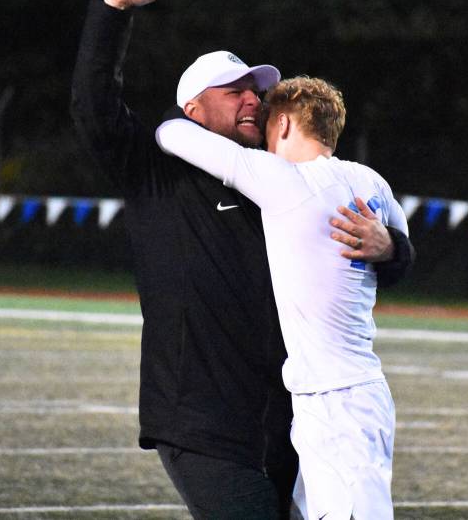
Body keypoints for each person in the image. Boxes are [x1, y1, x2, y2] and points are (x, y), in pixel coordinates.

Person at [71, 0, 414, 519]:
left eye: (257, 89)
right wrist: (114, 12)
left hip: (286, 423)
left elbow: (380, 262)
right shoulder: (158, 171)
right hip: (203, 425)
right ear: (193, 108)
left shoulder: (283, 182)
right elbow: (94, 110)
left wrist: (392, 247)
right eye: (234, 91)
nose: (254, 98)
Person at [157, 75, 409, 520]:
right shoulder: (372, 181)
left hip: (339, 401)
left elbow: (171, 134)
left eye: (270, 122)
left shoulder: (286, 181)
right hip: (335, 394)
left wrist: (195, 106)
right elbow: (401, 250)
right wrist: (389, 245)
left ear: (288, 124)